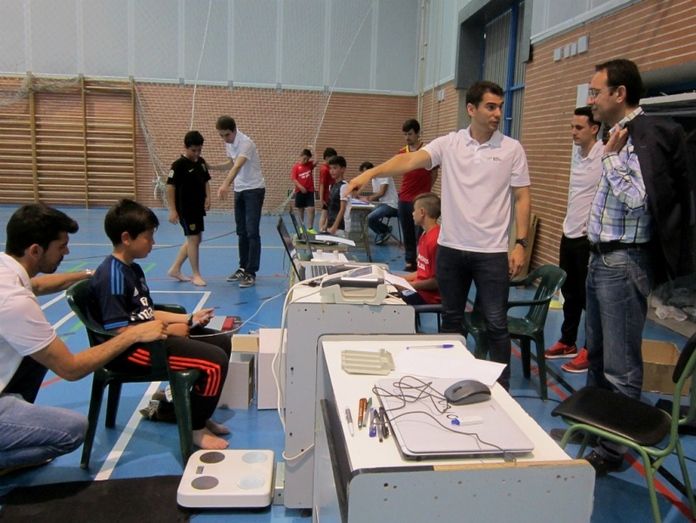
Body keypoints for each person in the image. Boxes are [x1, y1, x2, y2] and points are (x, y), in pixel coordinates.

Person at [347, 81, 531, 388]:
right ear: (471, 109)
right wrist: (370, 173)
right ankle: (450, 382)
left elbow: (522, 197)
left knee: (496, 324)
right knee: (451, 320)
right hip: (452, 251)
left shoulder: (512, 149)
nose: (498, 113)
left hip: (491, 253)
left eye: (500, 107)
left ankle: (503, 389)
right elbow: (408, 160)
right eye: (490, 107)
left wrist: (521, 243)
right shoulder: (450, 144)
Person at [580, 58, 695, 475]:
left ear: (619, 93)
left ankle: (614, 450)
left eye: (596, 92)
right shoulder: (615, 135)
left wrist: (610, 159)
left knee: (620, 365)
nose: (591, 100)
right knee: (596, 356)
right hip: (600, 259)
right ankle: (596, 429)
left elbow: (638, 200)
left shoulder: (647, 136)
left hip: (623, 262)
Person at [0, 204, 167, 474]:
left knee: (35, 353)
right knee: (73, 430)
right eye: (61, 246)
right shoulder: (14, 301)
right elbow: (71, 368)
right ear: (35, 250)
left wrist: (89, 274)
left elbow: (38, 285)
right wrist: (134, 333)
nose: (67, 252)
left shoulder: (6, 270)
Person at [89, 199, 232, 450]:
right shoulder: (112, 275)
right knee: (214, 361)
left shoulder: (133, 269)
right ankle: (195, 427)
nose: (153, 243)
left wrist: (189, 319)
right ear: (126, 238)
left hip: (150, 338)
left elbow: (147, 312)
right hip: (130, 352)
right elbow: (119, 331)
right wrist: (168, 332)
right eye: (148, 237)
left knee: (221, 341)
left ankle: (196, 411)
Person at [544, 107, 602, 373]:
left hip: (588, 239)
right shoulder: (579, 155)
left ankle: (591, 349)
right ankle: (568, 342)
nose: (573, 132)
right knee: (570, 293)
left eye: (579, 128)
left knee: (590, 297)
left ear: (594, 128)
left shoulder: (604, 154)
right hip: (569, 234)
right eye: (572, 127)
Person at [213, 115, 266, 288]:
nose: (224, 139)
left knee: (252, 231)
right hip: (240, 190)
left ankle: (251, 272)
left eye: (226, 135)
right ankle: (243, 267)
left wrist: (225, 184)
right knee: (241, 231)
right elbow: (230, 164)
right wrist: (211, 166)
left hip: (254, 190)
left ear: (234, 130)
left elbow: (237, 166)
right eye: (221, 135)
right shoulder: (229, 144)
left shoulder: (246, 143)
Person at [166, 130, 211, 287]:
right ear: (185, 147)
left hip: (198, 208)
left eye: (199, 150)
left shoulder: (201, 162)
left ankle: (175, 269)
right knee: (193, 239)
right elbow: (170, 187)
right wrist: (172, 210)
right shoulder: (178, 165)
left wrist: (208, 197)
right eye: (193, 150)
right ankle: (196, 274)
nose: (197, 153)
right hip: (185, 209)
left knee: (196, 239)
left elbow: (206, 181)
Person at [397, 119, 437, 271]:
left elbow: (434, 173)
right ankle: (409, 261)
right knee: (407, 231)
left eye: (410, 134)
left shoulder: (427, 152)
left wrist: (426, 191)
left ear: (418, 133)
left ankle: (422, 260)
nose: (407, 137)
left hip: (420, 200)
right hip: (404, 198)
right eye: (405, 134)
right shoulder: (402, 152)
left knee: (420, 232)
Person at [402, 192, 441, 306]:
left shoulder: (436, 240)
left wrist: (409, 285)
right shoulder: (424, 235)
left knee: (388, 302)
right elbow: (423, 271)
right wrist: (402, 279)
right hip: (419, 289)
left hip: (429, 296)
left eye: (414, 210)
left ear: (422, 212)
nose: (412, 213)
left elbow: (437, 282)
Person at [359, 161, 399, 245]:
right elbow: (377, 197)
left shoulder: (384, 174)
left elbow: (381, 193)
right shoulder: (373, 179)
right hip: (383, 204)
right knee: (364, 215)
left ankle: (384, 231)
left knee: (369, 218)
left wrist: (368, 198)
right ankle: (385, 230)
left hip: (392, 205)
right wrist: (362, 198)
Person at [291, 148, 316, 231]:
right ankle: (301, 228)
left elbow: (316, 161)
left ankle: (310, 228)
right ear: (301, 156)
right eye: (304, 158)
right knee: (300, 210)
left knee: (311, 209)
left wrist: (313, 151)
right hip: (300, 191)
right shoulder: (296, 167)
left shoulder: (309, 165)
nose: (305, 161)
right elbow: (294, 179)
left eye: (307, 159)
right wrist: (301, 187)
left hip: (309, 191)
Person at [326, 155, 351, 237]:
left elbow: (342, 209)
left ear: (343, 169)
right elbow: (330, 208)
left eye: (335, 168)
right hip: (331, 224)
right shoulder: (332, 186)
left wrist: (334, 227)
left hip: (341, 227)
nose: (332, 171)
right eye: (330, 168)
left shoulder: (344, 186)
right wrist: (326, 225)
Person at [318, 147, 337, 232]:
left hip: (329, 194)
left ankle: (323, 230)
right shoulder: (324, 169)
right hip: (326, 195)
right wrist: (321, 198)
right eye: (332, 158)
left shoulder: (328, 168)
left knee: (326, 214)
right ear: (327, 157)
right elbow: (322, 184)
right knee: (324, 214)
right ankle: (321, 230)